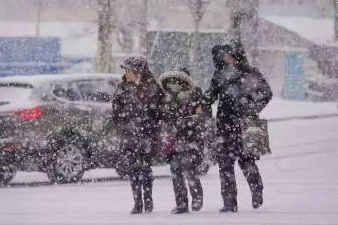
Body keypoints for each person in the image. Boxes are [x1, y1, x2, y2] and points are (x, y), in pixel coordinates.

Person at [203, 39, 273, 213]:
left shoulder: (250, 73)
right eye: (225, 56)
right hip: (224, 125)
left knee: (246, 162)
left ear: (237, 55)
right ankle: (229, 203)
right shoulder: (220, 75)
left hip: (246, 125)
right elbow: (210, 96)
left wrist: (250, 108)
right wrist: (199, 101)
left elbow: (266, 93)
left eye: (230, 55)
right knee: (225, 164)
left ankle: (257, 190)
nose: (227, 59)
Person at [112, 55, 163, 215]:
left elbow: (160, 111)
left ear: (139, 72)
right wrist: (122, 126)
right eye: (126, 71)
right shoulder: (123, 88)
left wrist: (151, 120)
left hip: (147, 134)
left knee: (145, 168)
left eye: (130, 71)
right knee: (133, 169)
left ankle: (148, 201)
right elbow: (116, 110)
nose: (127, 74)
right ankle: (137, 202)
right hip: (129, 135)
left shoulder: (152, 87)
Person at [158, 67, 210, 214]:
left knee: (189, 170)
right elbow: (161, 114)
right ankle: (181, 203)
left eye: (178, 81)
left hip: (190, 139)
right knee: (175, 171)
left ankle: (197, 197)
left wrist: (189, 122)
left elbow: (203, 114)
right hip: (173, 140)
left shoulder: (195, 95)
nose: (175, 84)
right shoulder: (167, 97)